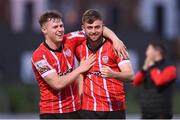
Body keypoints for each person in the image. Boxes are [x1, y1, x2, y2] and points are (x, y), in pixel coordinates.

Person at [31, 10, 128, 119]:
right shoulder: (39, 56)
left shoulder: (69, 40)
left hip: (74, 110)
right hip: (51, 112)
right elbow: (57, 84)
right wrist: (80, 69)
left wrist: (116, 40)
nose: (60, 30)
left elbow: (96, 29)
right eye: (55, 27)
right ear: (44, 30)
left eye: (61, 26)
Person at [75, 9, 134, 119]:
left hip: (114, 108)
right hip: (89, 109)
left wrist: (114, 74)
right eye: (90, 27)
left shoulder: (116, 47)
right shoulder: (78, 47)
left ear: (103, 27)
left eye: (97, 27)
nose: (94, 31)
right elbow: (81, 75)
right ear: (83, 29)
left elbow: (130, 76)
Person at [133, 41, 177, 119]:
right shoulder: (147, 68)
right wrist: (144, 68)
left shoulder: (170, 68)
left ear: (157, 51)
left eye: (149, 49)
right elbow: (135, 82)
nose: (146, 52)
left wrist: (152, 66)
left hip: (161, 114)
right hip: (146, 113)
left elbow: (159, 81)